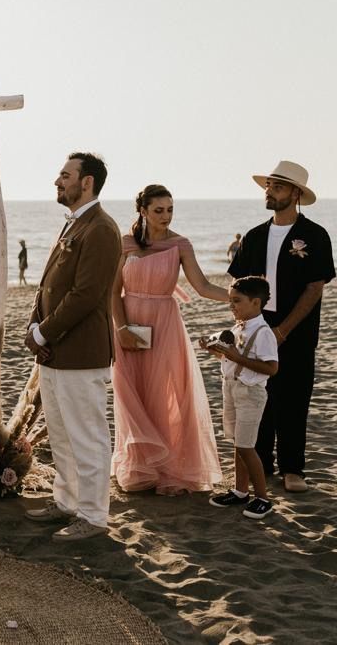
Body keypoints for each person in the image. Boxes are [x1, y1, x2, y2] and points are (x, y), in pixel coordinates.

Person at [24, 152, 121, 541]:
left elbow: (85, 295)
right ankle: (66, 502)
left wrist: (43, 333)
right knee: (60, 433)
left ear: (88, 182)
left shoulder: (100, 229)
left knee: (88, 436)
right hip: (55, 351)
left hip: (81, 352)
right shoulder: (73, 225)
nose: (57, 181)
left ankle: (94, 517)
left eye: (65, 175)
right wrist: (33, 324)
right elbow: (48, 285)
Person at [111, 185, 229, 495]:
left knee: (166, 393)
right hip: (129, 322)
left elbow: (202, 286)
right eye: (158, 210)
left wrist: (235, 298)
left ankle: (168, 469)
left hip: (165, 324)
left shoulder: (181, 245)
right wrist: (121, 327)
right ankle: (140, 468)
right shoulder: (124, 243)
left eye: (170, 209)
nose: (165, 216)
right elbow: (112, 293)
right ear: (143, 211)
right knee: (129, 392)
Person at [228, 161, 334, 493]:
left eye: (277, 186)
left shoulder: (315, 235)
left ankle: (293, 468)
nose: (268, 191)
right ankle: (262, 462)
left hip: (297, 331)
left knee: (293, 397)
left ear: (295, 194)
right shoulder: (254, 236)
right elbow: (240, 287)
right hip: (257, 330)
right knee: (257, 396)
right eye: (268, 186)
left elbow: (315, 287)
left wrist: (284, 330)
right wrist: (245, 327)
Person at [200, 276, 278, 519]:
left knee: (246, 446)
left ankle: (263, 498)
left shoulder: (264, 332)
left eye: (237, 301)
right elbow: (230, 359)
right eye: (230, 300)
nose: (231, 305)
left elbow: (272, 368)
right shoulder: (238, 326)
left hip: (250, 394)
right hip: (231, 389)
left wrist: (236, 357)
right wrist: (215, 351)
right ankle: (240, 491)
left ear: (256, 303)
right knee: (237, 443)